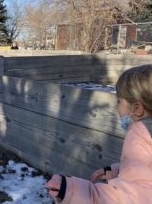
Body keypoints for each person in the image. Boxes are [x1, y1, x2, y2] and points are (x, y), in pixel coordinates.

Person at [45, 65, 152, 204]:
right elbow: (144, 172)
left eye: (119, 101)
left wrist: (75, 191)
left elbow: (138, 196)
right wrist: (117, 170)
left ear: (137, 108)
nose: (116, 107)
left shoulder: (139, 137)